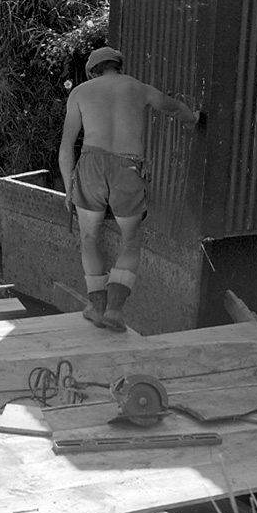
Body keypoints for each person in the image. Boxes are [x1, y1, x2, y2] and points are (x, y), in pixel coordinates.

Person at [59, 46, 199, 332]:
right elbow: (174, 108)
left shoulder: (80, 93)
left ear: (93, 71)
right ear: (118, 67)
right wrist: (194, 119)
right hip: (127, 167)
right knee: (131, 239)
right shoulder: (138, 88)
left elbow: (65, 148)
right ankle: (114, 310)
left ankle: (96, 308)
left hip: (91, 165)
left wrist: (68, 189)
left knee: (89, 237)